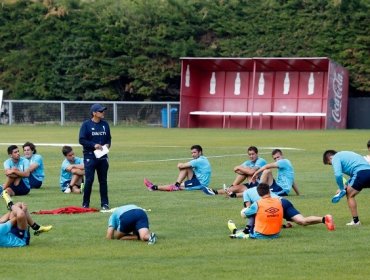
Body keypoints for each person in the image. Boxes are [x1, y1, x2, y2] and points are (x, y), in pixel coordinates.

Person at [228, 183, 334, 239]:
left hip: (273, 206)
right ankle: (324, 219)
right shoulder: (264, 188)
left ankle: (245, 231)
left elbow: (249, 211)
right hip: (282, 202)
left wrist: (248, 227)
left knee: (255, 214)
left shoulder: (246, 193)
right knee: (302, 221)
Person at [323, 150, 370, 226]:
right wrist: (345, 186)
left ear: (330, 158)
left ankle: (356, 221)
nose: (332, 165)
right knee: (349, 191)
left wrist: (341, 189)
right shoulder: (346, 154)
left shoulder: (335, 157)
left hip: (361, 174)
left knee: (349, 195)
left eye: (330, 164)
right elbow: (354, 177)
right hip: (367, 171)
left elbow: (338, 175)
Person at [143, 145, 214, 195]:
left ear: (200, 152)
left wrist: (180, 164)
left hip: (199, 184)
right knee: (187, 168)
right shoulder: (202, 159)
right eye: (192, 153)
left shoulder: (198, 161)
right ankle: (176, 185)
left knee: (177, 186)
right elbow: (183, 167)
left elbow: (181, 166)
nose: (192, 155)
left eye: (194, 152)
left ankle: (153, 187)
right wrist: (181, 166)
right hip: (197, 179)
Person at [79, 103, 112, 210]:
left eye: (103, 111)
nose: (103, 113)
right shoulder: (86, 125)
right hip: (90, 156)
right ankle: (85, 204)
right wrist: (94, 145)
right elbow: (82, 140)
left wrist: (107, 145)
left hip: (103, 157)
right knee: (89, 180)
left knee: (103, 180)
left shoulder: (105, 124)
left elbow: (108, 139)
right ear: (94, 113)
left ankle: (105, 203)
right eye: (101, 111)